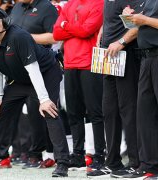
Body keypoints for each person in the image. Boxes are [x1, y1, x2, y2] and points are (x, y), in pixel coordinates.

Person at [0, 7, 70, 177]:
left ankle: (62, 163)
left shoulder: (19, 37)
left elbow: (33, 69)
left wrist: (44, 99)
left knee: (49, 111)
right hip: (19, 79)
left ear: (5, 22)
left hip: (45, 73)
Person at [86, 0, 144, 177]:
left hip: (126, 55)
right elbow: (111, 19)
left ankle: (136, 162)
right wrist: (102, 33)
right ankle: (112, 162)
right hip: (108, 57)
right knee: (109, 111)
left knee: (129, 110)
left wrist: (121, 42)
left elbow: (140, 23)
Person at [121, 1, 158, 179]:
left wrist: (145, 20)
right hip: (146, 58)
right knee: (145, 114)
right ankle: (149, 164)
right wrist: (130, 17)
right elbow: (139, 24)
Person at [53, 0, 106, 171]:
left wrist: (65, 24)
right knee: (74, 112)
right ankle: (78, 154)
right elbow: (56, 33)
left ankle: (99, 155)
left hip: (90, 64)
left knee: (95, 112)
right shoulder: (69, 4)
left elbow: (86, 31)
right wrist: (71, 26)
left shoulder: (99, 3)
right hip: (69, 64)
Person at [9, 0, 60, 169]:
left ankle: (49, 153)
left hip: (43, 64)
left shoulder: (47, 8)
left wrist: (26, 38)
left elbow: (54, 36)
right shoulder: (17, 7)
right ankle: (27, 151)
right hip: (19, 66)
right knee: (27, 112)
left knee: (43, 108)